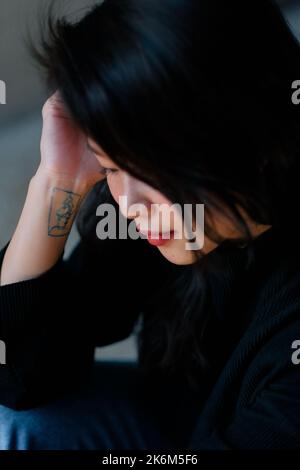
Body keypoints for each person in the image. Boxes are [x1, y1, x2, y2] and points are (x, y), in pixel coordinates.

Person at [0, 0, 300, 450]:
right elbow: (22, 376)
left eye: (148, 167)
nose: (128, 203)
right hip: (177, 421)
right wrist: (56, 181)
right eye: (110, 167)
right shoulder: (168, 214)